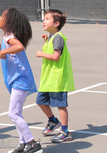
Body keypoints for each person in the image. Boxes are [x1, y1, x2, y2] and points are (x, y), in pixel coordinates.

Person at [0, 8, 42, 153]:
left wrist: (3, 51)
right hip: (15, 80)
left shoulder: (10, 36)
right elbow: (10, 51)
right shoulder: (7, 36)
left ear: (9, 21)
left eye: (2, 16)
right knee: (17, 112)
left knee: (13, 113)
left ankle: (32, 143)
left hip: (20, 80)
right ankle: (23, 143)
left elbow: (19, 47)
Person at [35, 9, 75, 143]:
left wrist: (41, 54)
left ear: (56, 23)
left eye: (47, 19)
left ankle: (65, 131)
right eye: (44, 18)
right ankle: (53, 121)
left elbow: (56, 56)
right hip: (48, 78)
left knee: (60, 105)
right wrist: (46, 41)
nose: (43, 21)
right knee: (40, 101)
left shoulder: (58, 38)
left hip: (57, 79)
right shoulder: (52, 37)